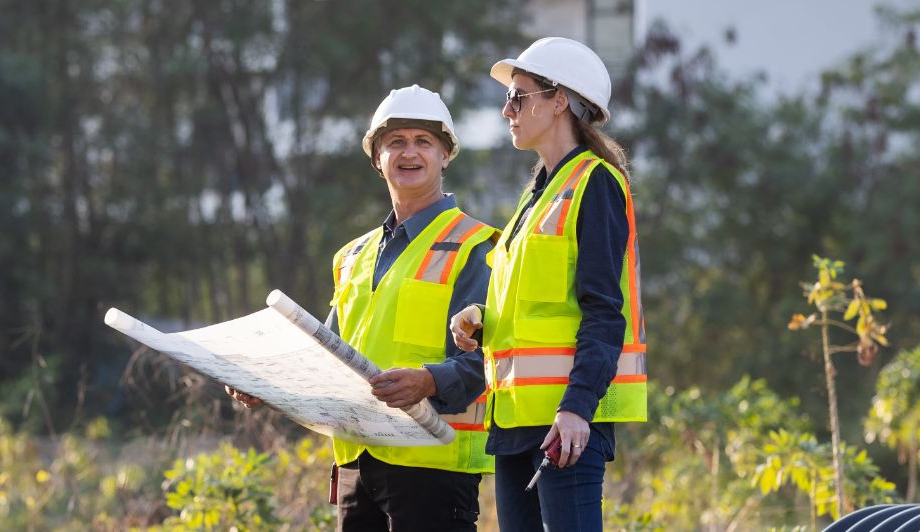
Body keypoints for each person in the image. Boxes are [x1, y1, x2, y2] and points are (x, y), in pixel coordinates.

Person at [228, 85, 497, 531]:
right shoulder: (352, 256)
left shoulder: (476, 247)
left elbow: (488, 361)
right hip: (357, 462)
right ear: (376, 158)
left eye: (423, 142)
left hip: (434, 468)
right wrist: (266, 385)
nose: (409, 154)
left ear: (446, 154)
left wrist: (428, 380)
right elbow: (326, 359)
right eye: (395, 143)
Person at [448, 37, 648, 532]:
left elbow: (604, 311)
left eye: (519, 96)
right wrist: (482, 321)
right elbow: (540, 309)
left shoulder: (594, 183)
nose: (506, 110)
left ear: (559, 101)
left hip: (565, 425)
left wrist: (577, 408)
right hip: (515, 424)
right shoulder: (537, 195)